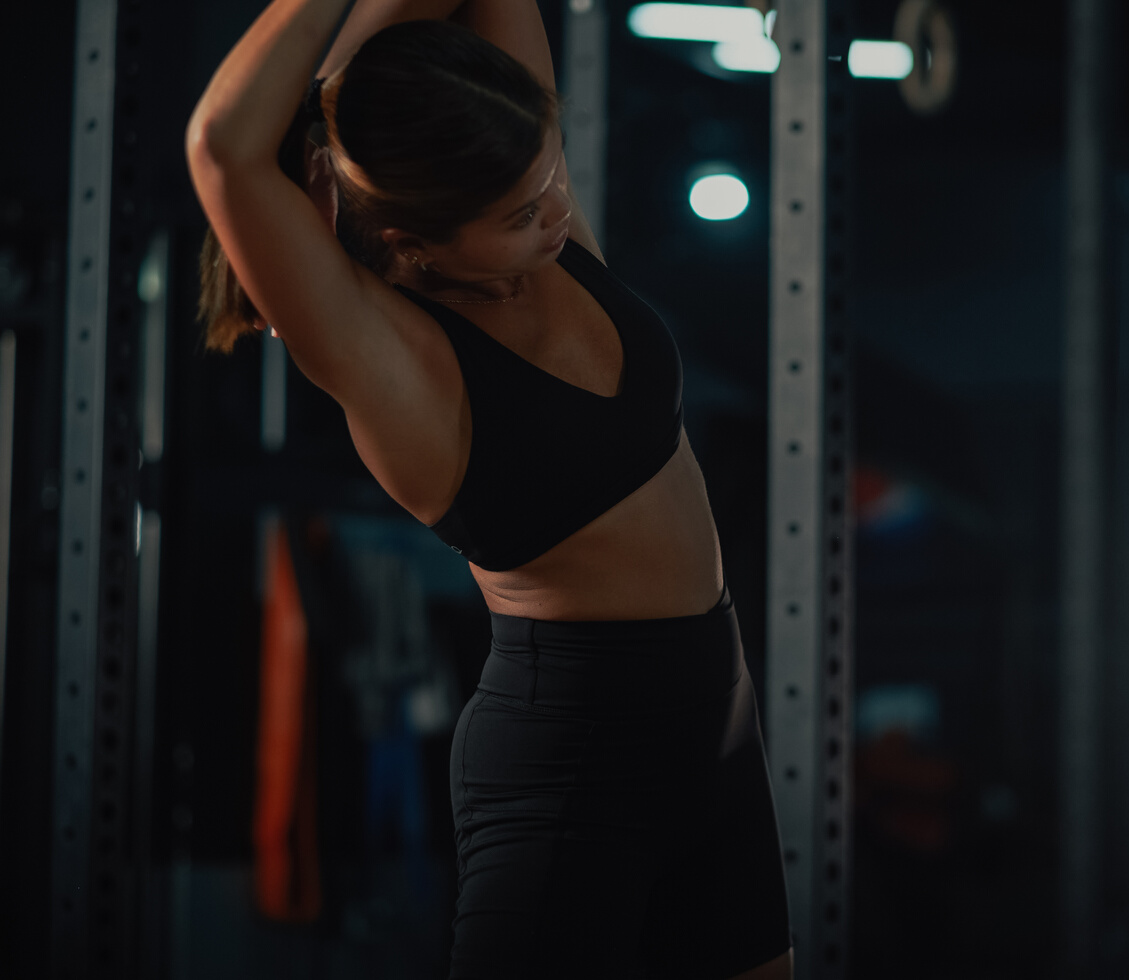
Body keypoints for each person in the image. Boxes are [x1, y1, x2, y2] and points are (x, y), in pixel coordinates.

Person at [186, 1, 794, 976]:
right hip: (575, 764)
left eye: (549, 173)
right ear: (421, 241)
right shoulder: (401, 368)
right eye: (518, 213)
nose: (556, 210)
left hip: (716, 722)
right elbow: (222, 147)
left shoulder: (540, 235)